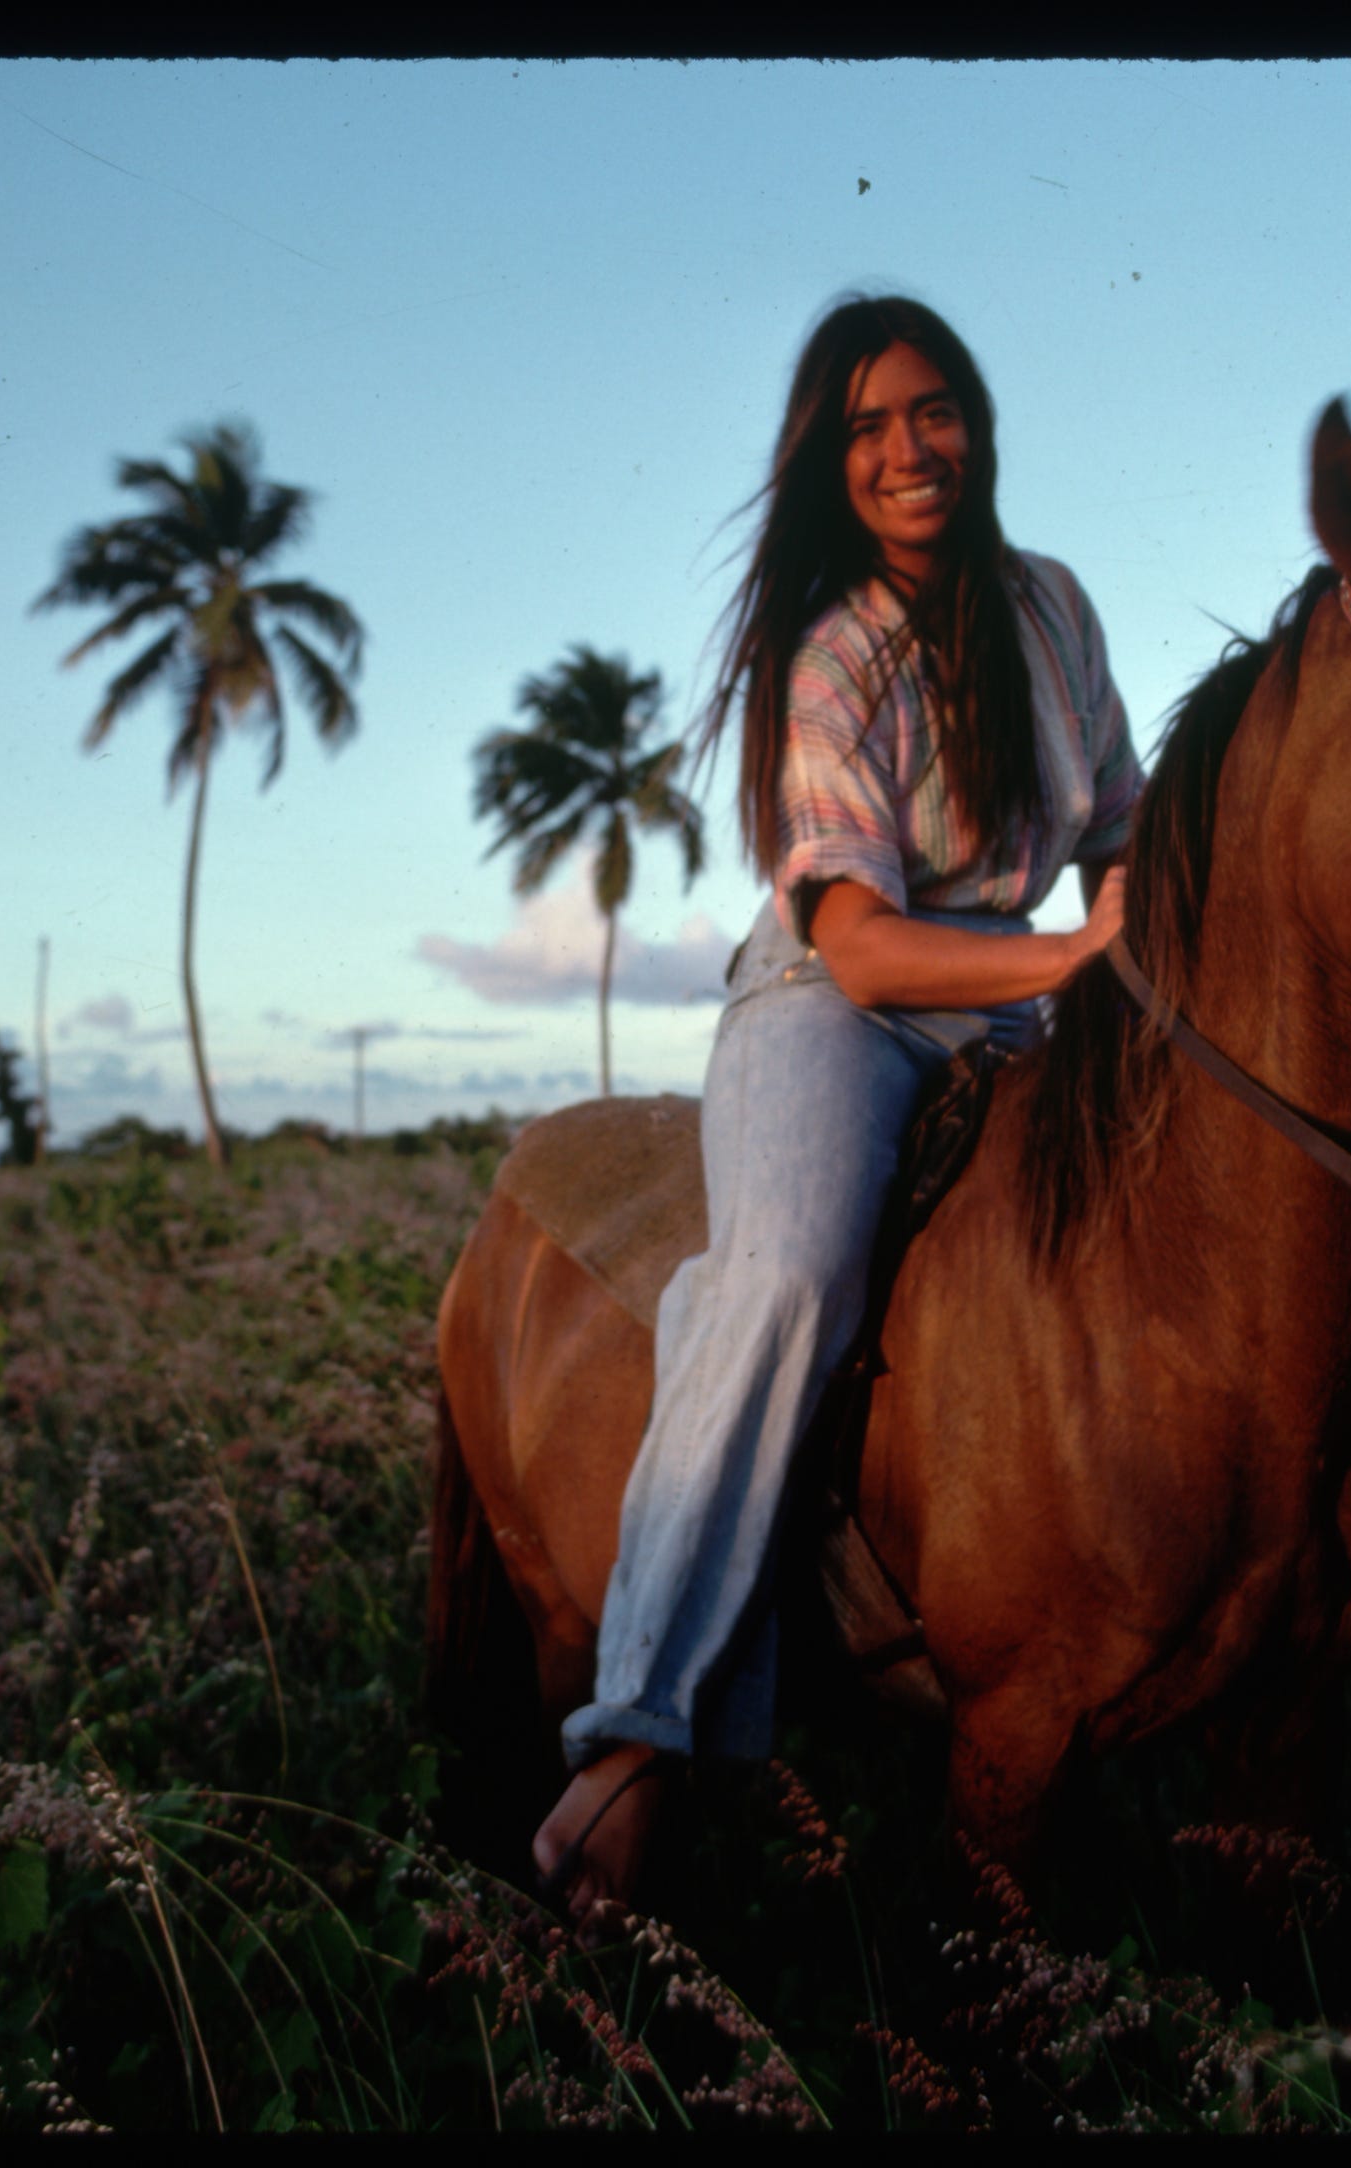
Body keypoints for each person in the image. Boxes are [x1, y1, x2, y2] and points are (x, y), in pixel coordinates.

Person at [531, 294, 1141, 1914]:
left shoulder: (1057, 608)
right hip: (842, 1006)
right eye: (868, 429)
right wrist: (1078, 955)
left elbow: (1127, 828)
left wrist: (1134, 934)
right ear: (831, 464)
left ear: (978, 420)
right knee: (790, 1271)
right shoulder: (836, 655)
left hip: (1025, 984)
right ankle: (639, 1730)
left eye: (931, 410)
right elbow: (862, 944)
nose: (908, 450)